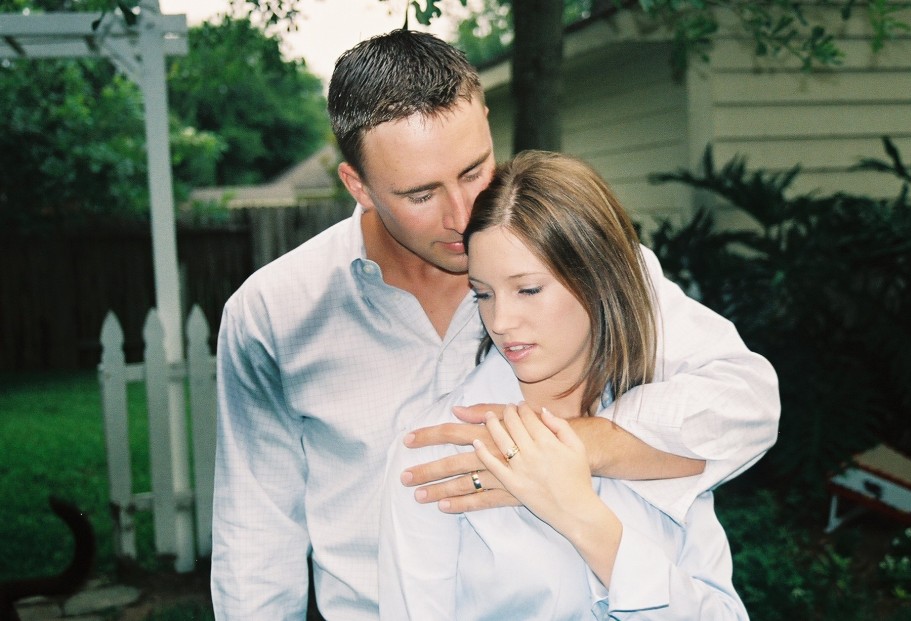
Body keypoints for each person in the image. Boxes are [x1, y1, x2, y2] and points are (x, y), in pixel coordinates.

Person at [210, 29, 779, 620]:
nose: (461, 215)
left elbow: (748, 405)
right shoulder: (273, 315)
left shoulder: (584, 268)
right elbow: (255, 544)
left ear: (486, 121)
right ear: (360, 186)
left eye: (473, 168)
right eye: (420, 193)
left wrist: (562, 451)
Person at [379, 151, 752, 620]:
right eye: (483, 293)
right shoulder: (436, 453)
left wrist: (586, 520)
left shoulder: (663, 428)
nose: (501, 320)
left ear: (599, 281)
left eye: (528, 289)